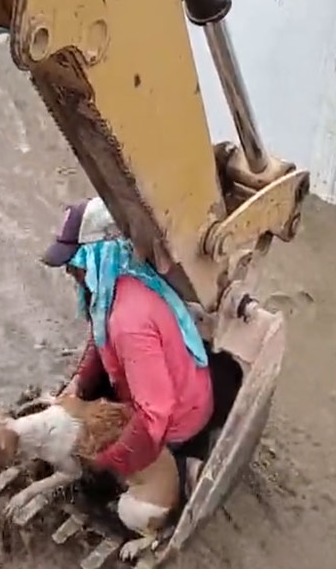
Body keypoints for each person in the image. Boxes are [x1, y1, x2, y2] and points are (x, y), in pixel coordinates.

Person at [40, 197, 214, 489]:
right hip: (164, 389)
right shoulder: (119, 280)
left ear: (100, 254)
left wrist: (104, 463)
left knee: (100, 476)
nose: (70, 272)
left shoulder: (129, 322)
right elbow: (100, 335)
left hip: (175, 421)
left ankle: (184, 470)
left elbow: (153, 416)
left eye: (75, 262)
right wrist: (79, 383)